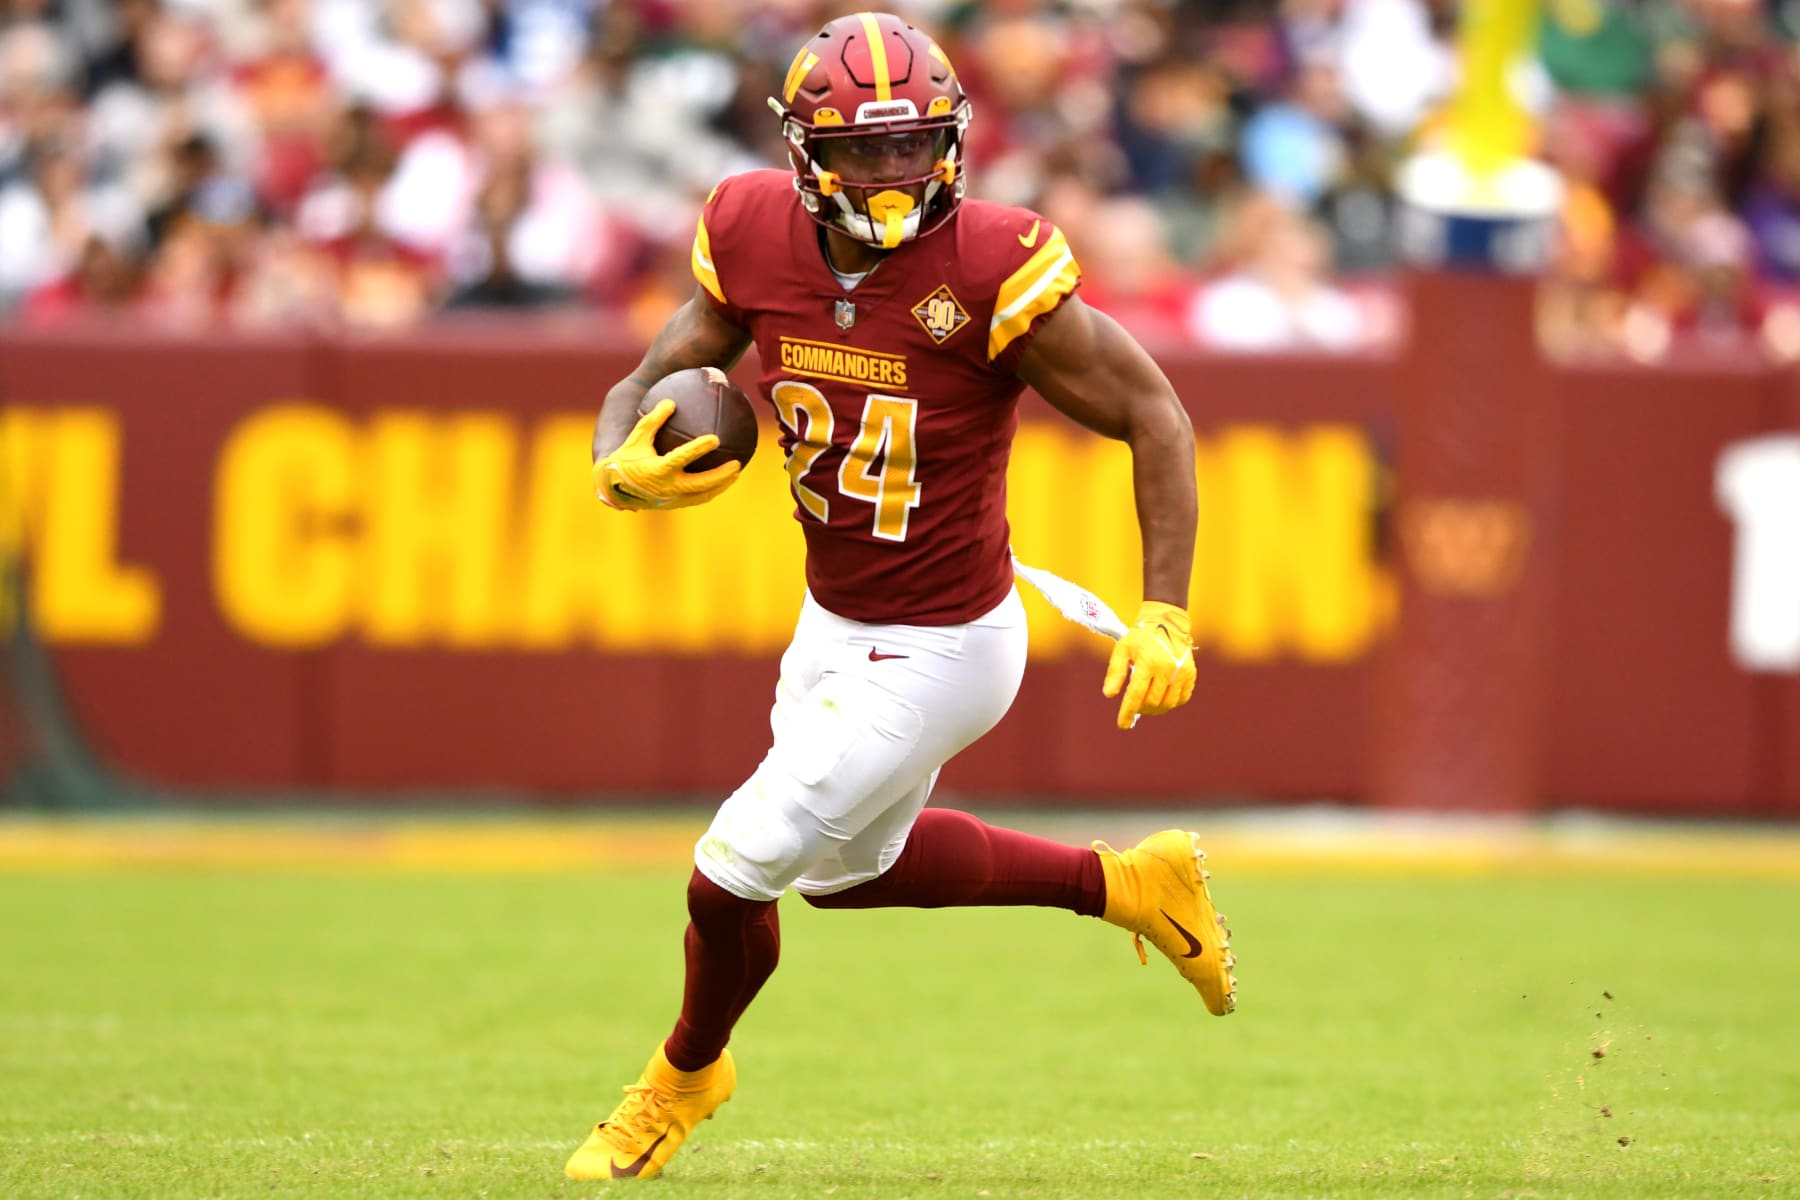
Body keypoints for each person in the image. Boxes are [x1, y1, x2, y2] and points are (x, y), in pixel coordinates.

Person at [567, 13, 1236, 1182]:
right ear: (803, 152)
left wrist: (1166, 605)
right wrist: (617, 456)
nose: (894, 173)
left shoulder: (989, 265)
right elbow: (650, 374)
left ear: (954, 142)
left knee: (732, 868)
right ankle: (1128, 883)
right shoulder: (752, 233)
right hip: (833, 623)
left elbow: (1155, 415)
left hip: (945, 647)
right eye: (867, 152)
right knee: (842, 877)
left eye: (915, 145)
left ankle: (684, 1072)